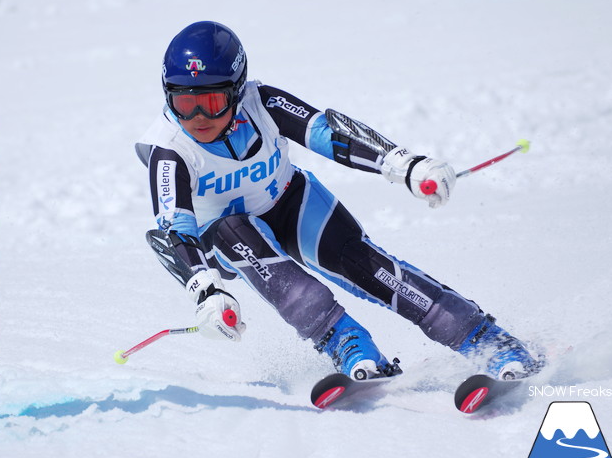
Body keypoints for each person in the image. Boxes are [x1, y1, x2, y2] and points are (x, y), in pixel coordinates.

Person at [135, 20, 542, 381]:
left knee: (370, 269)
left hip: (288, 201)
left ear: (237, 91)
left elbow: (328, 133)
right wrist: (205, 291)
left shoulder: (264, 103)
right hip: (224, 234)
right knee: (283, 279)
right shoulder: (169, 149)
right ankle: (345, 341)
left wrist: (402, 164)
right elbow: (175, 229)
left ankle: (482, 336)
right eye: (183, 103)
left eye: (210, 104)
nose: (196, 119)